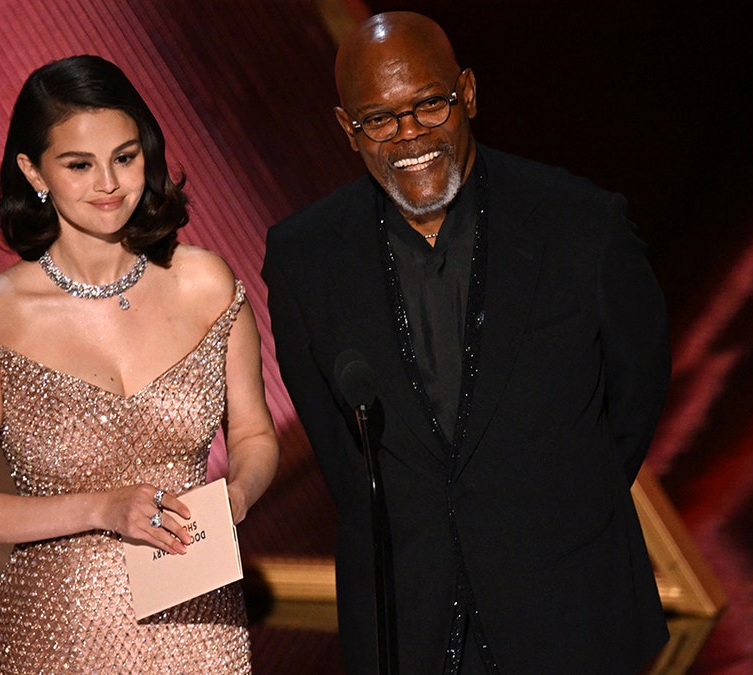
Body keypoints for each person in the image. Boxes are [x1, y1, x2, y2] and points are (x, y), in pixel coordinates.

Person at [263, 12, 670, 674]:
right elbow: (338, 449)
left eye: (428, 105)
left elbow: (634, 393)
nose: (409, 136)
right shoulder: (304, 256)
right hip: (408, 623)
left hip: (569, 607)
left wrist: (542, 500)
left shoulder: (581, 226)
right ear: (347, 129)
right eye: (380, 119)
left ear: (469, 94)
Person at [0, 55, 278, 673]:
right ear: (33, 171)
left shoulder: (205, 284)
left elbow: (252, 433)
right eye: (79, 165)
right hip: (62, 630)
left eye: (124, 157)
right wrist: (99, 508)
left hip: (198, 616)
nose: (109, 184)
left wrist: (237, 498)